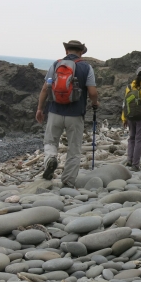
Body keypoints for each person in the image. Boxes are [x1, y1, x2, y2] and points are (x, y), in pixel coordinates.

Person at [35, 40, 99, 188]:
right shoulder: (86, 67)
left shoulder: (56, 65)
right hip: (75, 115)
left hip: (55, 112)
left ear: (66, 51)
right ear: (81, 52)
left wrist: (40, 108)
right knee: (74, 148)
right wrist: (95, 102)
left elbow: (45, 88)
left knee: (50, 142)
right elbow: (93, 92)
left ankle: (51, 159)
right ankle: (68, 181)